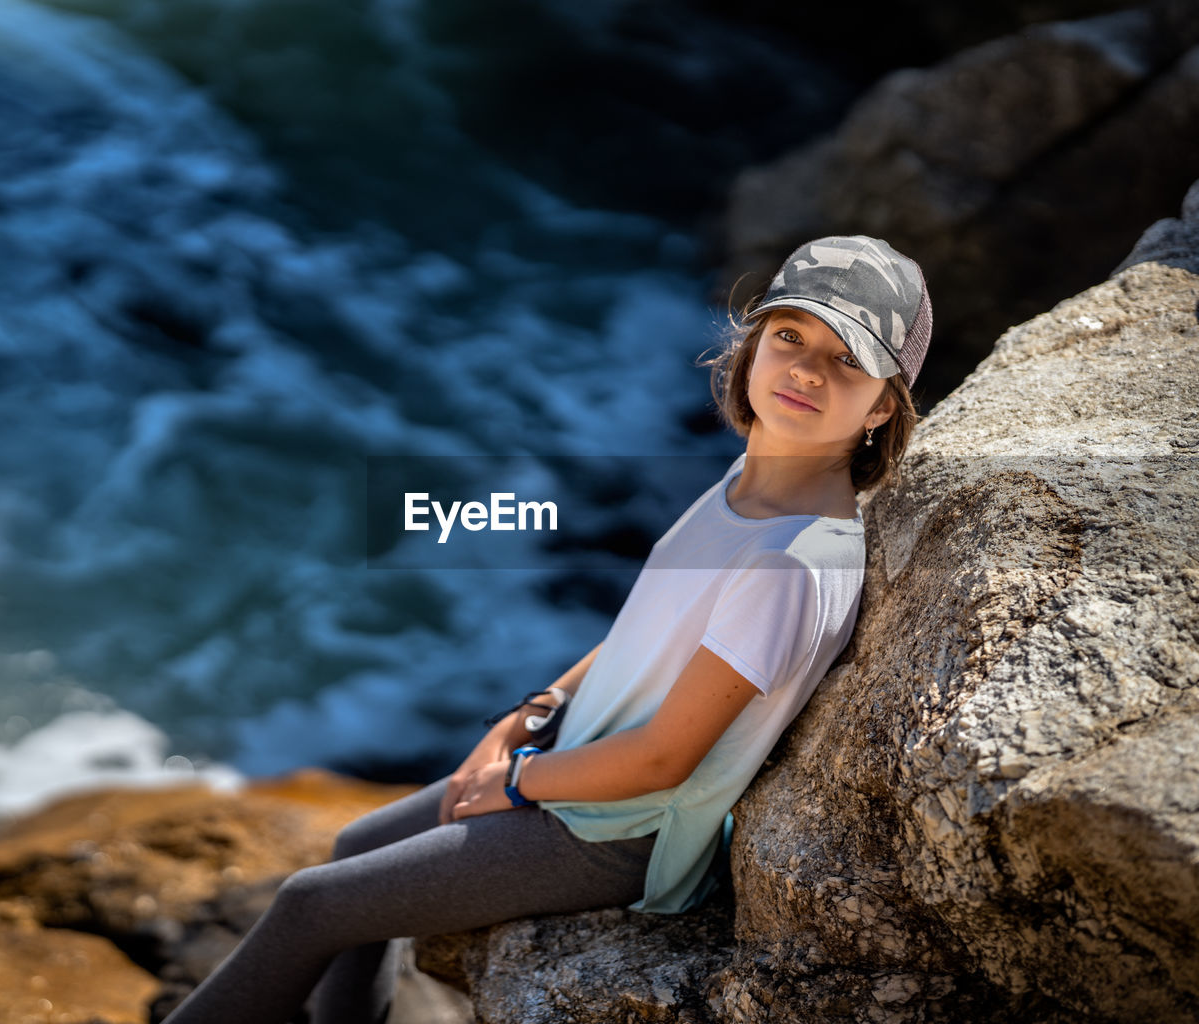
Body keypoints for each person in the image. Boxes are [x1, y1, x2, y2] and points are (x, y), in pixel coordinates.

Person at [160, 234, 932, 1024]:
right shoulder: (751, 482)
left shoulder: (788, 563)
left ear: (881, 406)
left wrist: (519, 781)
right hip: (573, 762)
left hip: (609, 833)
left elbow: (665, 757)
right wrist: (525, 720)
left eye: (847, 361)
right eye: (790, 337)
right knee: (352, 851)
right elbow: (643, 632)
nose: (806, 370)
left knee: (310, 905)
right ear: (753, 347)